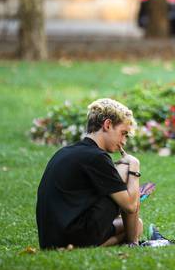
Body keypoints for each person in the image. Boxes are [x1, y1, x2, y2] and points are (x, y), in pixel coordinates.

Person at [36, 98, 143, 249]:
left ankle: (122, 241)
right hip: (74, 235)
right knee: (125, 171)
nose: (124, 141)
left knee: (138, 225)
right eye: (123, 133)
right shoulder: (96, 157)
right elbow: (131, 206)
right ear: (107, 125)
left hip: (51, 240)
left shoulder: (65, 152)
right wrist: (134, 167)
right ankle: (133, 243)